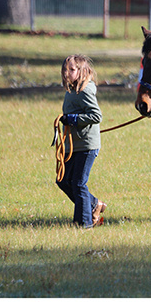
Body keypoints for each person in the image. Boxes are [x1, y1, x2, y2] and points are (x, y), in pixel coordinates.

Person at [56, 54, 106, 228]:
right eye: (65, 69)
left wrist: (74, 119)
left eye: (72, 69)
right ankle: (94, 204)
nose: (67, 73)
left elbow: (96, 115)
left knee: (78, 183)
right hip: (72, 145)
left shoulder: (84, 91)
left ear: (82, 71)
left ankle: (83, 223)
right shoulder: (71, 91)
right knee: (63, 180)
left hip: (86, 145)